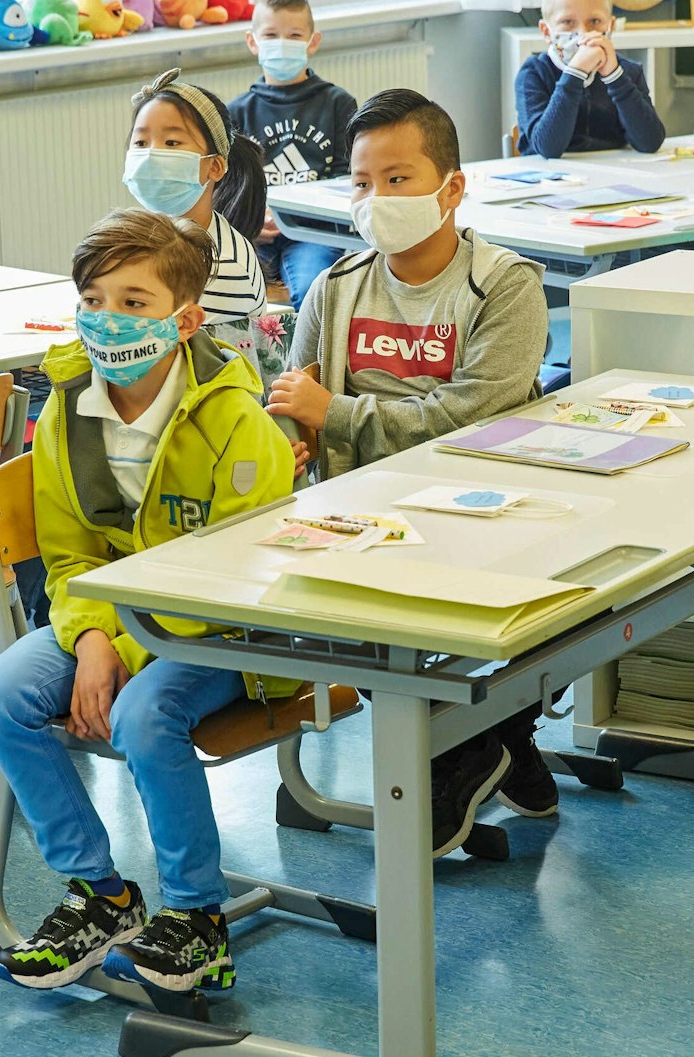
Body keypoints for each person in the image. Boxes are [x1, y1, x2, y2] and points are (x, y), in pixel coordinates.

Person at [0, 208, 294, 994]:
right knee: (0, 692)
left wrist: (121, 649)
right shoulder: (65, 408)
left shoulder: (234, 420)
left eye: (135, 301)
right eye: (94, 299)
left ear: (184, 320)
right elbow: (69, 552)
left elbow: (237, 574)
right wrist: (91, 640)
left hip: (226, 628)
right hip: (110, 619)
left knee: (146, 714)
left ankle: (197, 919)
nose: (109, 319)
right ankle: (102, 895)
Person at [266, 89, 552, 857]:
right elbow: (296, 399)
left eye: (398, 179)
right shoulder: (336, 285)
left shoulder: (506, 284)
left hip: (477, 506)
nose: (377, 199)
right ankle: (487, 740)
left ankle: (472, 741)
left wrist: (338, 415)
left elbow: (472, 418)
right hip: (355, 509)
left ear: (451, 187)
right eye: (362, 183)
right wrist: (289, 434)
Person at [127, 69, 282, 379]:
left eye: (171, 142)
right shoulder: (149, 236)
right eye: (141, 142)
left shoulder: (221, 265)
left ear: (214, 166)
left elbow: (195, 375)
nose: (151, 156)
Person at [226, 0, 357, 313]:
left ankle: (307, 362)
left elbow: (347, 177)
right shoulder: (237, 112)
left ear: (313, 43)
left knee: (314, 289)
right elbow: (232, 185)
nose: (282, 44)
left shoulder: (338, 103)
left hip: (314, 232)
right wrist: (251, 221)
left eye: (294, 35)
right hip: (257, 233)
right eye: (270, 35)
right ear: (252, 42)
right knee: (225, 284)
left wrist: (302, 218)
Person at [513, 0, 665, 158]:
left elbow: (650, 142)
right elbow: (547, 148)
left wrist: (614, 77)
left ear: (610, 27)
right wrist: (575, 72)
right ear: (546, 32)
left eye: (594, 21)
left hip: (612, 173)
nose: (583, 34)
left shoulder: (627, 72)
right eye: (567, 22)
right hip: (550, 177)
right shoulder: (533, 73)